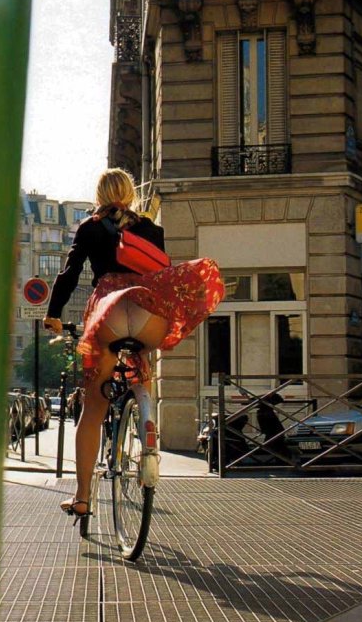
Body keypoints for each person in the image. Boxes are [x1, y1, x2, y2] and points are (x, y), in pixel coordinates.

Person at [43, 168, 225, 521]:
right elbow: (160, 271)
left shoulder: (91, 227)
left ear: (99, 196)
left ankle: (82, 498)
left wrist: (53, 313)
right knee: (141, 366)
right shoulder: (151, 228)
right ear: (130, 194)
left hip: (109, 310)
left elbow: (69, 274)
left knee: (93, 409)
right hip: (146, 308)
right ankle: (145, 417)